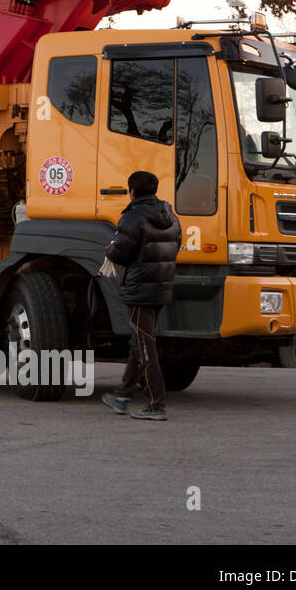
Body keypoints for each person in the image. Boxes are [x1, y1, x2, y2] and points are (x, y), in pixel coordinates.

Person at [99, 170, 181, 421]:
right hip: (162, 285)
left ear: (132, 191)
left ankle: (156, 405)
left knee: (145, 346)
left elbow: (119, 253)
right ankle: (122, 395)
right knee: (140, 341)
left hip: (139, 290)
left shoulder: (132, 217)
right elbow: (176, 244)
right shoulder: (169, 214)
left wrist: (109, 250)